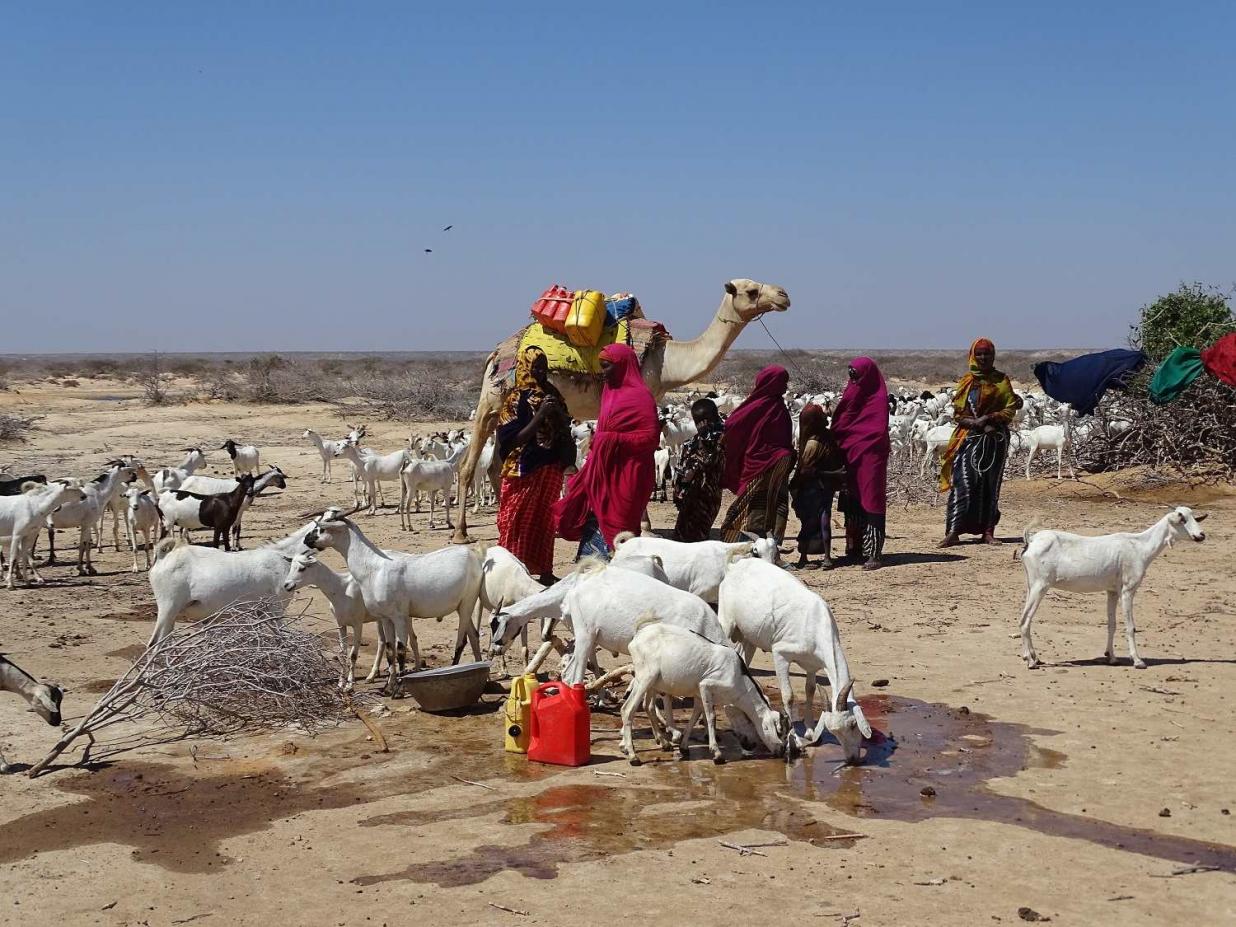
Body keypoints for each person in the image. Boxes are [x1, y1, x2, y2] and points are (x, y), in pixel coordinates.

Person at [553, 343, 659, 559]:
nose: (603, 373)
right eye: (602, 367)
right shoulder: (609, 395)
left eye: (607, 366)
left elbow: (650, 438)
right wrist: (599, 443)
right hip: (603, 474)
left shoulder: (641, 397)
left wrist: (611, 439)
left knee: (622, 527)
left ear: (623, 367)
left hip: (629, 476)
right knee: (596, 519)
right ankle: (596, 570)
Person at [495, 346, 574, 584]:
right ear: (525, 367)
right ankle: (510, 572)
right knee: (515, 520)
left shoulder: (553, 394)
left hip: (549, 465)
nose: (541, 372)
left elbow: (565, 427)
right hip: (523, 467)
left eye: (544, 367)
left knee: (544, 521)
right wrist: (540, 416)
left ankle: (545, 571)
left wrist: (556, 412)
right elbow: (510, 440)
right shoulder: (515, 398)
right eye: (536, 367)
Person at [938, 338, 1023, 547]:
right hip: (969, 438)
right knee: (963, 482)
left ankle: (988, 531)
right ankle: (954, 531)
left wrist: (989, 418)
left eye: (988, 354)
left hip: (995, 440)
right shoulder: (967, 382)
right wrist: (976, 423)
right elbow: (958, 413)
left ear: (993, 356)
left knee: (990, 485)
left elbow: (1010, 408)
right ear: (973, 357)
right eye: (980, 354)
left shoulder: (1002, 380)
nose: (984, 358)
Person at [719, 365, 795, 543]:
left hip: (768, 463)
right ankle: (766, 543)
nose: (785, 387)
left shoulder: (762, 404)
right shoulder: (769, 406)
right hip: (770, 463)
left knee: (759, 501)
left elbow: (731, 425)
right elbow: (733, 425)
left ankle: (760, 543)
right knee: (770, 501)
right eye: (783, 383)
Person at [830, 357, 891, 570]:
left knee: (871, 500)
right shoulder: (852, 392)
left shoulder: (877, 398)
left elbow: (876, 429)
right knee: (852, 500)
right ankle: (853, 548)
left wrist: (855, 439)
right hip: (849, 454)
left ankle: (874, 553)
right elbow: (842, 419)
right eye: (850, 374)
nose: (853, 379)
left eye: (856, 374)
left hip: (870, 457)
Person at [788, 403, 846, 570]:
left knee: (808, 522)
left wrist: (795, 485)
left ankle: (803, 557)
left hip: (812, 488)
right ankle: (827, 557)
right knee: (825, 519)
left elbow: (806, 470)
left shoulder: (813, 443)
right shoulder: (829, 438)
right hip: (827, 487)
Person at [672, 397, 726, 542]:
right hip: (713, 499)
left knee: (685, 541)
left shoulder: (692, 445)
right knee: (701, 536)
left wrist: (678, 494)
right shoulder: (725, 438)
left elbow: (683, 477)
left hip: (694, 501)